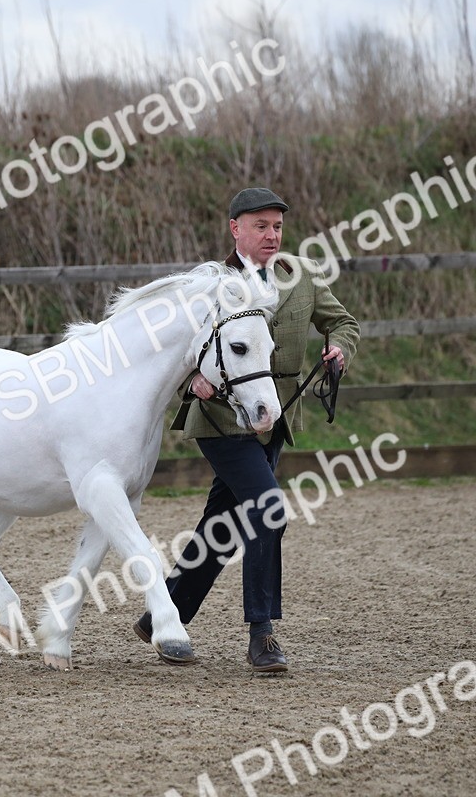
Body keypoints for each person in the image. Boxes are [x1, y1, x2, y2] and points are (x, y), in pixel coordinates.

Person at [134, 187, 360, 673]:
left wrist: (340, 349)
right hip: (219, 420)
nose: (272, 235)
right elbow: (171, 350)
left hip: (275, 418)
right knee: (268, 510)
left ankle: (163, 614)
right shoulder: (209, 284)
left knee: (224, 525)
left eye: (277, 226)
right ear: (235, 228)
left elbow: (344, 323)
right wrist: (191, 378)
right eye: (261, 226)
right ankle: (262, 634)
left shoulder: (301, 278)